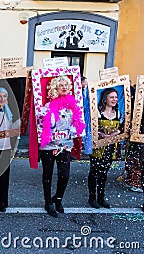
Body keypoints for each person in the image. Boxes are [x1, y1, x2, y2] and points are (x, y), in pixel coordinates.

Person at [39, 76, 85, 217]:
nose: (64, 87)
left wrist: (75, 128)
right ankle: (48, 202)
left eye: (66, 85)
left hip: (65, 145)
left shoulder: (73, 105)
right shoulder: (48, 106)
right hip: (49, 146)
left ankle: (57, 199)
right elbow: (42, 127)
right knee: (48, 174)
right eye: (61, 85)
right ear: (55, 88)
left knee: (64, 175)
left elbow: (78, 123)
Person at [88, 88, 123, 209]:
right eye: (111, 97)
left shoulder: (118, 113)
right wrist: (100, 134)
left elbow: (122, 129)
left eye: (116, 97)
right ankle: (92, 198)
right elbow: (91, 127)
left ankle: (101, 197)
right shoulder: (97, 112)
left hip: (110, 147)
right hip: (97, 147)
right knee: (94, 172)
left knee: (104, 173)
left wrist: (116, 133)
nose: (114, 99)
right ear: (105, 99)